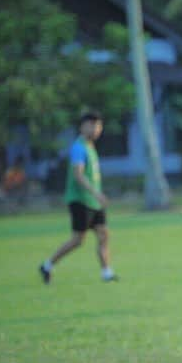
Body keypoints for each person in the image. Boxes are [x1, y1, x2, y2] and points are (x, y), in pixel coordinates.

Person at [39, 112, 118, 283]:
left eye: (98, 126)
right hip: (81, 200)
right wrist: (96, 193)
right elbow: (78, 175)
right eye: (92, 125)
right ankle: (47, 265)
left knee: (103, 234)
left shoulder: (90, 147)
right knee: (77, 240)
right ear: (83, 127)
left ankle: (107, 272)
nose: (96, 129)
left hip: (94, 201)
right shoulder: (78, 147)